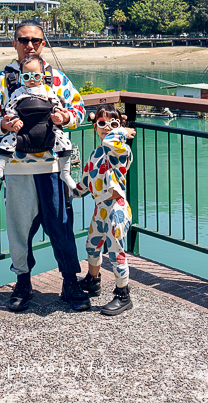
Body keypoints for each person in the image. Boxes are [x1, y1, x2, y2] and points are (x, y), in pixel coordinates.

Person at [0, 20, 90, 312]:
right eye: (23, 40)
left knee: (61, 225)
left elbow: (80, 110)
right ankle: (23, 282)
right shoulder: (1, 80)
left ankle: (69, 280)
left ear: (43, 43)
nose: (29, 45)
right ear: (13, 43)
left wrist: (65, 119)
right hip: (16, 168)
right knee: (19, 228)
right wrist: (1, 123)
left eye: (36, 40)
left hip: (53, 168)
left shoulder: (57, 79)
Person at [72, 104, 135, 315]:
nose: (106, 128)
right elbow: (84, 183)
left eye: (113, 123)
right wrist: (68, 194)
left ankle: (123, 294)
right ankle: (93, 281)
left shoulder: (121, 149)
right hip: (101, 208)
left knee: (116, 252)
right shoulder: (94, 155)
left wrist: (122, 132)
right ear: (94, 126)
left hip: (117, 208)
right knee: (92, 245)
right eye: (101, 123)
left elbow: (110, 140)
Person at [0, 54, 77, 189]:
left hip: (47, 134)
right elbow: (10, 108)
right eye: (27, 77)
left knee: (65, 143)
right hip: (21, 133)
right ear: (22, 77)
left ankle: (66, 172)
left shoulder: (48, 91)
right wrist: (12, 121)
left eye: (36, 76)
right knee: (6, 142)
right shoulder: (17, 92)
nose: (32, 80)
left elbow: (57, 105)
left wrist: (61, 117)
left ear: (43, 77)